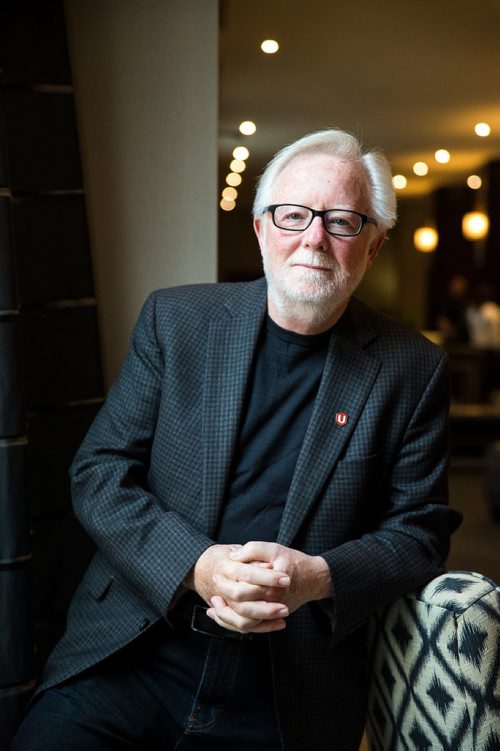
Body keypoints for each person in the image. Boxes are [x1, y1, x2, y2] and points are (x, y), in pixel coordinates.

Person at [12, 128, 462, 751]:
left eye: (342, 221)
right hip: (134, 654)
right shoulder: (177, 321)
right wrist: (197, 567)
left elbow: (420, 534)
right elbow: (99, 470)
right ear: (260, 229)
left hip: (287, 690)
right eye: (293, 215)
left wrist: (316, 577)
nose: (313, 238)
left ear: (375, 245)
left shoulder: (412, 369)